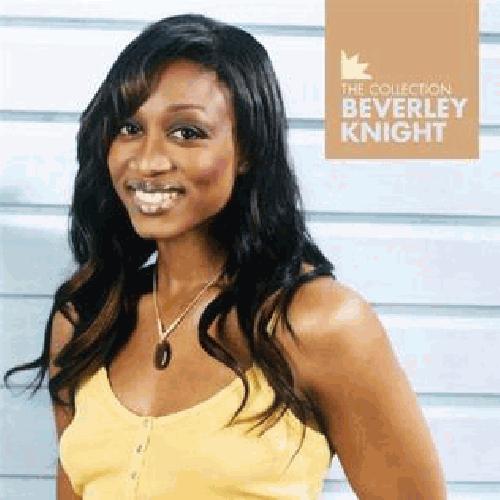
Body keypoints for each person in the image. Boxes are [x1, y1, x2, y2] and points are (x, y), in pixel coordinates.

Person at [3, 13, 447, 499]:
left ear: (249, 149)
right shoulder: (87, 318)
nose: (148, 160)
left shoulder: (319, 323)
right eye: (129, 127)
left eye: (187, 132)